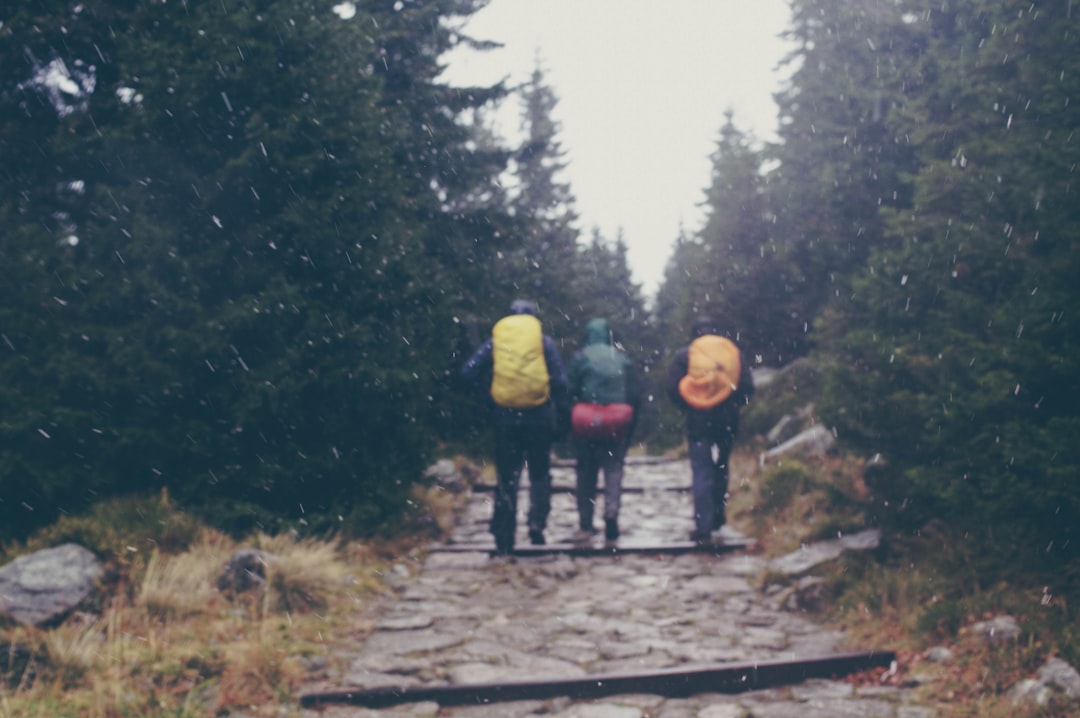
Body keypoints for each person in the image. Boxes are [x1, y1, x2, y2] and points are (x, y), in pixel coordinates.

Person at [460, 299, 570, 555]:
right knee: (539, 475)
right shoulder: (543, 343)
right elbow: (561, 382)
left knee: (507, 479)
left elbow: (468, 372)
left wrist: (488, 399)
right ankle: (536, 525)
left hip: (505, 420)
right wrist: (562, 420)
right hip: (539, 419)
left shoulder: (497, 341)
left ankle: (504, 536)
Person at [666, 315, 754, 543]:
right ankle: (717, 517)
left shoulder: (685, 356)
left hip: (698, 422)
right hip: (727, 421)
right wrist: (732, 405)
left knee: (701, 471)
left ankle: (703, 525)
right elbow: (747, 387)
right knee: (722, 467)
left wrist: (690, 407)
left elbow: (673, 389)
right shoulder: (732, 355)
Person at [567, 318, 641, 543]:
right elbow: (634, 394)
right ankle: (611, 512)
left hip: (587, 422)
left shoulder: (581, 358)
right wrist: (631, 425)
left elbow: (570, 390)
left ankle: (586, 523)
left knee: (586, 473)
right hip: (616, 422)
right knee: (613, 469)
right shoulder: (621, 358)